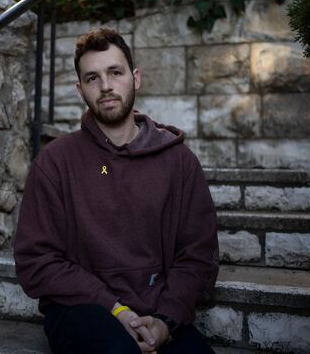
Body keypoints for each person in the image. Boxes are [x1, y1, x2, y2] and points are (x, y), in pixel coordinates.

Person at [14, 28, 219, 354]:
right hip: (81, 309)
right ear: (80, 90)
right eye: (92, 78)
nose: (106, 86)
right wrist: (115, 308)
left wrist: (165, 323)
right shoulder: (55, 162)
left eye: (115, 72)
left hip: (157, 311)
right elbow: (36, 261)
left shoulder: (179, 161)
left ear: (135, 78)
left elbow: (197, 257)